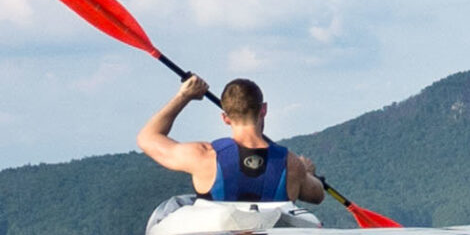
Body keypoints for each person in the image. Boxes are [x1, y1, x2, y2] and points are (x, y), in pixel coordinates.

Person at [138, 74, 329, 204]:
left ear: (225, 118)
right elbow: (317, 195)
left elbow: (147, 138)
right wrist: (308, 173)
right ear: (264, 110)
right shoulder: (292, 164)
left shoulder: (204, 156)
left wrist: (184, 96)